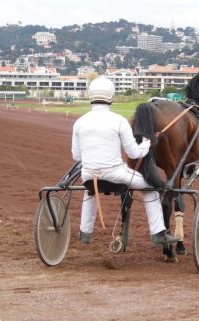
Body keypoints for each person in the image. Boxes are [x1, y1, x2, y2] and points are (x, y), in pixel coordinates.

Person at [71, 76, 178, 247]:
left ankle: (85, 232)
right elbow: (134, 153)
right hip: (117, 175)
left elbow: (77, 156)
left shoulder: (79, 122)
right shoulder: (119, 121)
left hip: (89, 175)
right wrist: (147, 142)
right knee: (150, 188)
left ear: (91, 95)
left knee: (91, 189)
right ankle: (158, 233)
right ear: (111, 96)